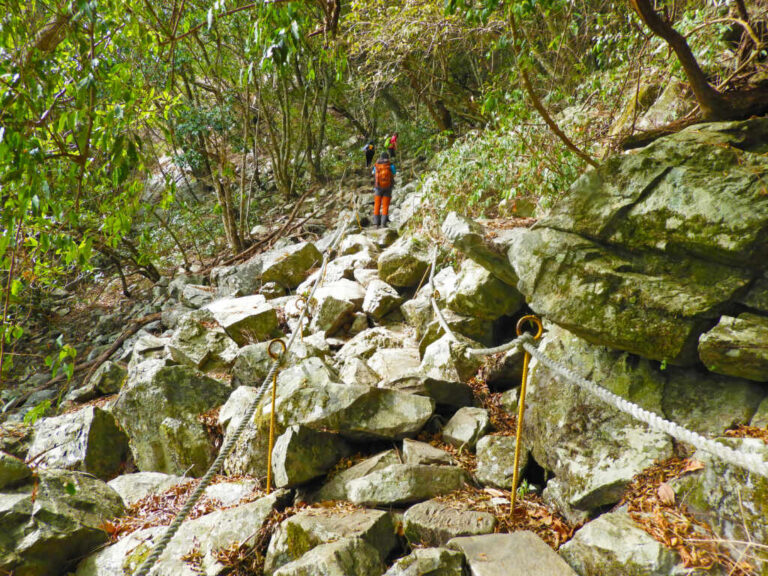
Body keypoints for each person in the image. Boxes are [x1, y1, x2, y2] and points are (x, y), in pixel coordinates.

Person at [372, 152, 396, 227]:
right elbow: (394, 173)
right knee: (385, 205)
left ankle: (376, 223)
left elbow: (373, 173)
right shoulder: (390, 165)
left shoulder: (376, 165)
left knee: (377, 204)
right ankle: (383, 223)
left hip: (378, 188)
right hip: (388, 188)